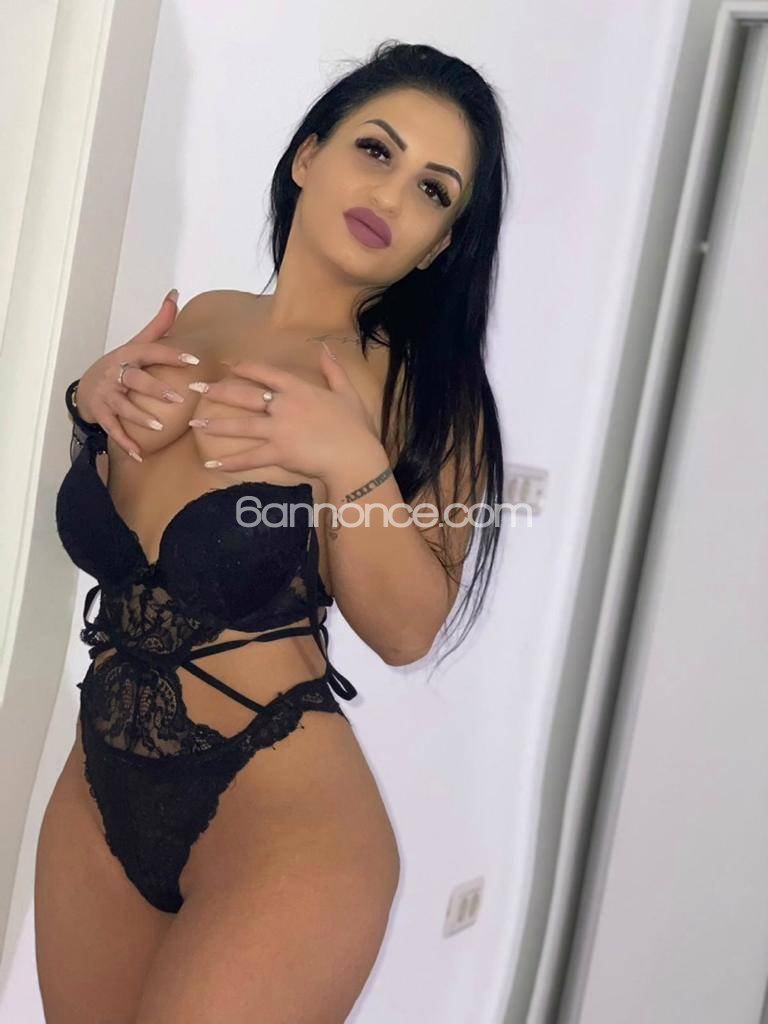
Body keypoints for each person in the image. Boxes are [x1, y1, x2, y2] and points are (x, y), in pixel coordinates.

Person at [34, 39, 508, 1023]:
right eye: (376, 150)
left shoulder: (426, 394)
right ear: (308, 156)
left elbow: (408, 630)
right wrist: (85, 399)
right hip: (94, 793)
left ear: (440, 244)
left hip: (283, 827)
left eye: (434, 190)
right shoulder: (200, 317)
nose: (393, 193)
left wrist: (349, 459)